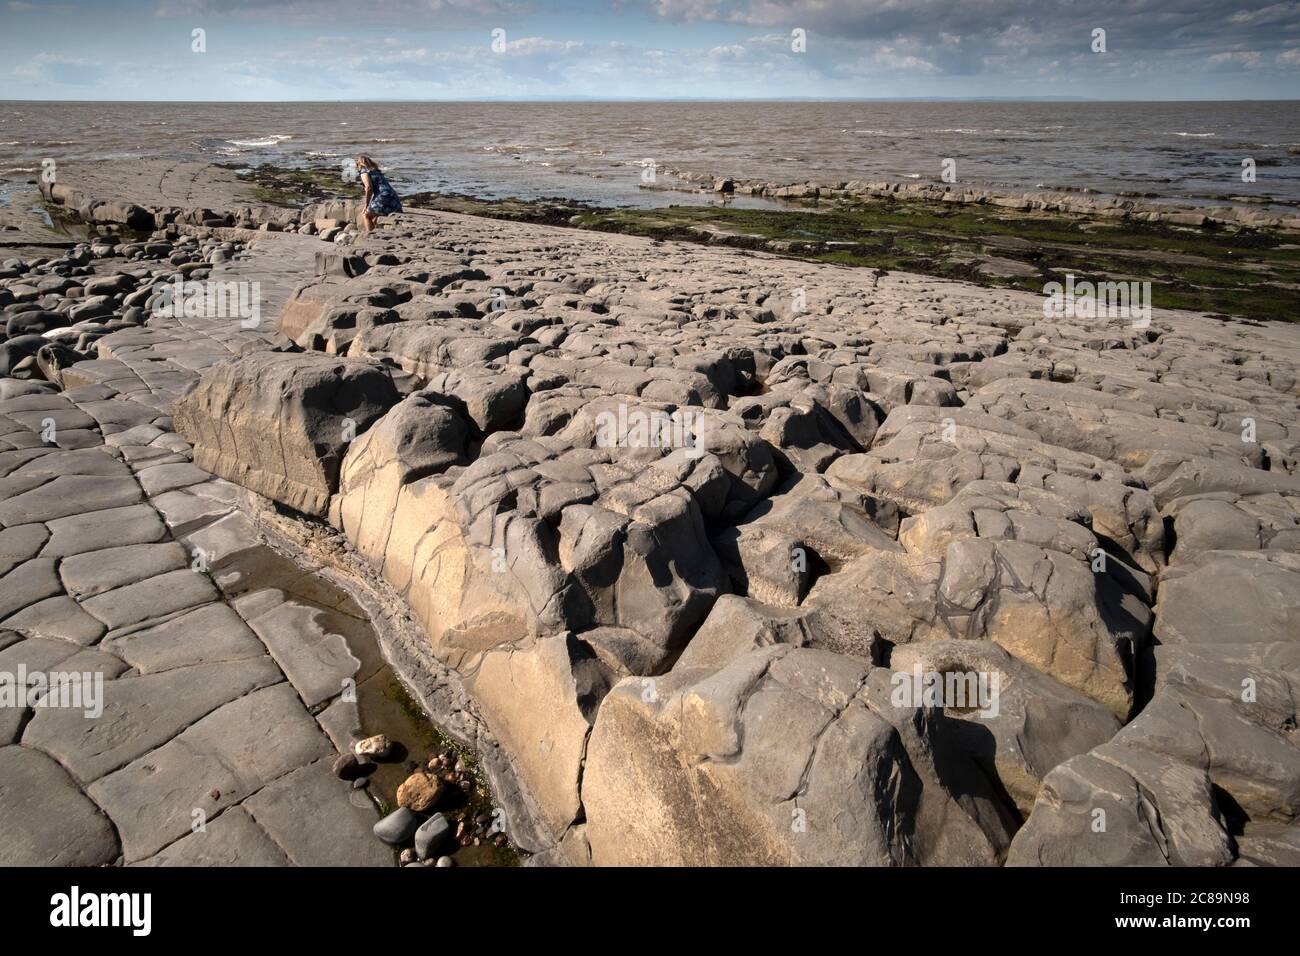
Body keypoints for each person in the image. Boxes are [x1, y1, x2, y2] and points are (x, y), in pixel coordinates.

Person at [355, 154, 402, 231]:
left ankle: (370, 236)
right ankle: (374, 230)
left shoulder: (364, 171)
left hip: (383, 196)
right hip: (393, 197)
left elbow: (368, 187)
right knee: (375, 214)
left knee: (366, 215)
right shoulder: (376, 171)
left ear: (359, 164)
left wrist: (366, 204)